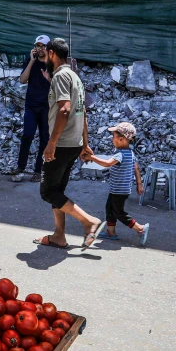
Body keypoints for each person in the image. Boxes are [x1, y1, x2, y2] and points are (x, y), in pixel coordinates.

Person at [37, 38, 103, 250]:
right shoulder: (74, 77)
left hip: (62, 143)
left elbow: (65, 110)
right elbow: (82, 112)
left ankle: (89, 221)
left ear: (52, 54)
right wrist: (85, 142)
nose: (45, 58)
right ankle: (59, 236)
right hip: (73, 142)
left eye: (46, 54)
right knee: (58, 190)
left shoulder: (61, 76)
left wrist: (51, 143)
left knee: (48, 192)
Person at [83, 122, 150, 246]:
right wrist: (139, 184)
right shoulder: (130, 153)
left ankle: (140, 229)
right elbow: (136, 168)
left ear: (121, 139)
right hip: (120, 189)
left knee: (119, 212)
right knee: (109, 208)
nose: (112, 139)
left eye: (113, 136)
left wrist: (92, 157)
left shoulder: (120, 154)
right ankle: (111, 232)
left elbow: (108, 164)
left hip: (119, 190)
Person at [8, 34, 52, 183]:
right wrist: (32, 62)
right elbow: (22, 80)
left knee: (44, 138)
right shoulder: (31, 62)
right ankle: (21, 166)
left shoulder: (52, 64)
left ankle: (39, 171)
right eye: (37, 46)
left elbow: (57, 84)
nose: (39, 49)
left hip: (46, 106)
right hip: (31, 105)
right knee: (27, 135)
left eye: (43, 46)